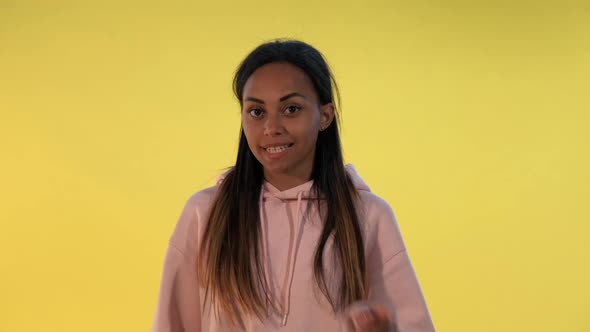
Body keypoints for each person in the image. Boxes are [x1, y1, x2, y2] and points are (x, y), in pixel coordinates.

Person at [151, 39, 435, 332]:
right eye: (257, 112)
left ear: (325, 115)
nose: (272, 128)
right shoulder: (205, 214)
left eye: (291, 109)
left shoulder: (368, 217)